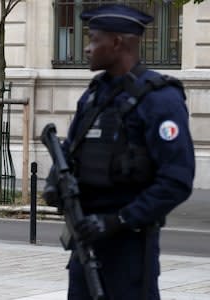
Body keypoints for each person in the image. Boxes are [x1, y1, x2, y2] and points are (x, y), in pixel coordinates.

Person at [57, 4, 195, 300]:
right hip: (85, 245)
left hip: (131, 253)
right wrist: (55, 185)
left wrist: (117, 220)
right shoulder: (93, 95)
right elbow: (70, 152)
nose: (87, 48)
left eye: (94, 40)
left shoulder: (159, 99)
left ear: (117, 43)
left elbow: (176, 181)